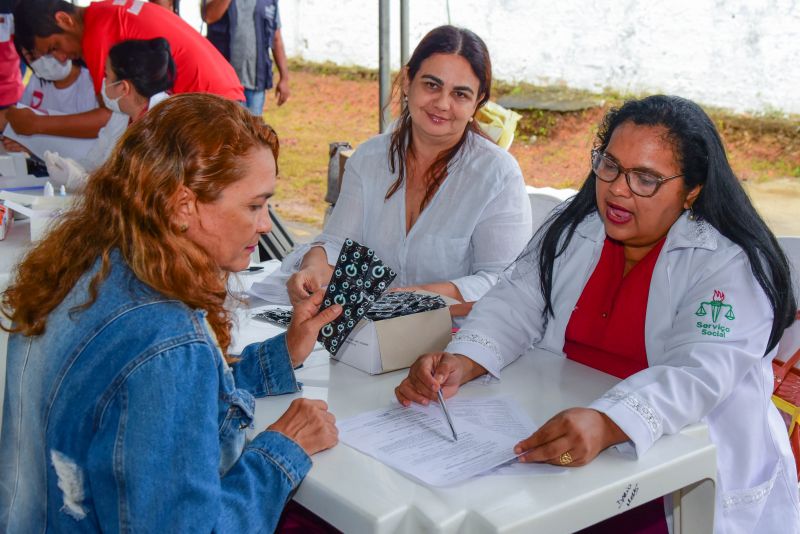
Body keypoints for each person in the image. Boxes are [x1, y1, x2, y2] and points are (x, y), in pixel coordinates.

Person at [396, 95, 800, 533]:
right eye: (610, 165)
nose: (618, 189)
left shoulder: (727, 264)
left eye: (645, 178)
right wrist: (462, 360)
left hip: (666, 466)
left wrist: (610, 421)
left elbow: (698, 373)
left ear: (692, 191)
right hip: (560, 431)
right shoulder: (574, 229)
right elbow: (514, 302)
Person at [0, 93, 342, 532]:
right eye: (255, 205)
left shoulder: (82, 268)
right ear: (184, 207)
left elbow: (145, 403)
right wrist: (282, 448)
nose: (264, 224)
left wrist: (282, 355)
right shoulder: (168, 339)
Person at [285, 25, 531, 314]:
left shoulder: (497, 175)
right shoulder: (368, 159)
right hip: (371, 336)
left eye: (460, 94)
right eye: (431, 85)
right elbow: (337, 245)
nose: (442, 103)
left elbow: (502, 281)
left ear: (478, 102)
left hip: (459, 342)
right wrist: (312, 270)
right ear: (407, 80)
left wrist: (410, 300)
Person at [9, 0, 243, 140]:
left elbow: (107, 117)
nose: (60, 58)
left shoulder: (96, 33)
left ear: (64, 19)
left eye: (54, 47)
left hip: (208, 107)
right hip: (219, 93)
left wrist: (37, 125)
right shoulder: (104, 11)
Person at [44, 38, 176, 191]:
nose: (104, 82)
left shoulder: (163, 127)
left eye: (107, 76)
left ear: (123, 88)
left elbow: (136, 192)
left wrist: (81, 181)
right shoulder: (122, 115)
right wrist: (71, 167)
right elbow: (97, 162)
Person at [203, 0, 290, 116]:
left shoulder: (269, 1)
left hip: (256, 85)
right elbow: (208, 16)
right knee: (226, 131)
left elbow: (276, 38)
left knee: (252, 131)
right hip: (224, 84)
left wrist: (284, 78)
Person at [2, 55, 96, 154]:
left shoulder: (89, 84)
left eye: (51, 49)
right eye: (32, 56)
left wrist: (32, 146)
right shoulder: (37, 80)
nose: (43, 60)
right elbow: (15, 118)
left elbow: (87, 145)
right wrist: (17, 140)